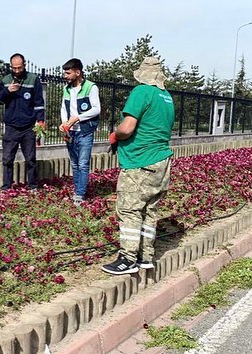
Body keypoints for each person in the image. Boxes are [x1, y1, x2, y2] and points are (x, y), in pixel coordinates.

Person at [102, 56, 174, 275]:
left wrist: (115, 135)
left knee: (129, 209)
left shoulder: (141, 92)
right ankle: (146, 257)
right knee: (150, 210)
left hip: (140, 162)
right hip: (162, 161)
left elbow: (128, 128)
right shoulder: (166, 97)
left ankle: (127, 258)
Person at [0, 53, 46, 190]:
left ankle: (33, 186)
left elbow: (39, 103)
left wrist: (40, 120)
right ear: (10, 66)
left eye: (20, 67)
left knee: (30, 159)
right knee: (7, 159)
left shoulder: (33, 79)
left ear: (24, 65)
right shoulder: (5, 80)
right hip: (11, 127)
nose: (17, 71)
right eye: (14, 68)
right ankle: (6, 187)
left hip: (28, 127)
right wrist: (7, 91)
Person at [59, 58, 101, 204]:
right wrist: (65, 123)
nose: (65, 76)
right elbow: (64, 108)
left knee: (83, 164)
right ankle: (77, 191)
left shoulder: (91, 87)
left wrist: (78, 118)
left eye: (68, 73)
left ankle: (80, 194)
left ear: (78, 72)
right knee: (75, 164)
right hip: (71, 132)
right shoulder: (67, 89)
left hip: (84, 131)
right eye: (65, 73)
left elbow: (96, 109)